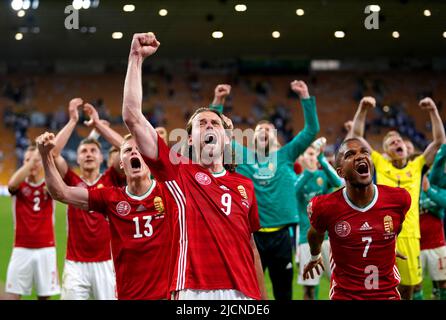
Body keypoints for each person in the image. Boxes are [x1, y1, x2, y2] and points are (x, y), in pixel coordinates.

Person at [122, 32, 267, 300]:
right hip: (193, 291)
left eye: (215, 123)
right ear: (190, 139)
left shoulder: (244, 185)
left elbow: (251, 247)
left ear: (226, 137)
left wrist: (263, 298)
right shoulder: (177, 171)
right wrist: (136, 58)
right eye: (202, 123)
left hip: (243, 294)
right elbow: (132, 117)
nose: (210, 126)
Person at [209, 81, 320, 300]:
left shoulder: (285, 155)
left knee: (283, 293)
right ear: (253, 137)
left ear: (276, 137)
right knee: (250, 292)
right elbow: (213, 133)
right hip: (251, 238)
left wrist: (305, 96)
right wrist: (218, 102)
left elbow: (311, 130)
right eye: (260, 129)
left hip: (281, 237)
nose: (264, 132)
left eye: (269, 130)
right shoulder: (241, 155)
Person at [36, 132, 172, 300]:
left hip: (166, 294)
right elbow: (61, 193)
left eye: (139, 149)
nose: (134, 153)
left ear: (149, 159)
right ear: (121, 163)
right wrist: (45, 156)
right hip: (127, 294)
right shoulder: (110, 197)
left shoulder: (169, 192)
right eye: (128, 150)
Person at [348, 96, 445, 299]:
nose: (396, 142)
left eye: (398, 140)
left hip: (410, 234)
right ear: (386, 151)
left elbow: (439, 142)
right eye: (391, 142)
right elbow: (355, 136)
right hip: (382, 233)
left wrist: (433, 110)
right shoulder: (380, 165)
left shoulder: (416, 166)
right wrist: (362, 109)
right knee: (380, 286)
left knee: (409, 287)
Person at [303, 138, 411, 300]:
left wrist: (389, 242)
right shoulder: (325, 206)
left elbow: (397, 225)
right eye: (350, 154)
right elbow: (314, 234)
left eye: (364, 152)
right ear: (340, 172)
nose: (360, 156)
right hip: (345, 295)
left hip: (386, 293)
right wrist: (314, 256)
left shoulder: (398, 199)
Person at [51, 98, 126, 300]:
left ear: (102, 158)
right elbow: (53, 153)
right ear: (77, 158)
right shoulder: (71, 180)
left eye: (94, 150)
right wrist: (73, 120)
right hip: (75, 265)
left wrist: (98, 125)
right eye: (83, 151)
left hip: (106, 263)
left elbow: (126, 148)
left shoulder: (112, 178)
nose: (89, 154)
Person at [4, 145, 60, 300]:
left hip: (46, 248)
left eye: (36, 161)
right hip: (21, 248)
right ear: (23, 163)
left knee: (44, 296)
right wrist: (33, 159)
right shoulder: (19, 185)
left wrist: (40, 157)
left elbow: (57, 182)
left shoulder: (48, 185)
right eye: (27, 160)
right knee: (12, 295)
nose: (32, 164)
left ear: (41, 163)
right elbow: (11, 185)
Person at [295, 138, 343, 300]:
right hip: (305, 239)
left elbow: (338, 182)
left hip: (328, 238)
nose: (311, 157)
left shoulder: (324, 176)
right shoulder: (299, 178)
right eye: (308, 154)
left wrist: (322, 158)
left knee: (339, 283)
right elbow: (295, 191)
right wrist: (309, 171)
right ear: (301, 158)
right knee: (309, 288)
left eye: (313, 154)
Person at [415, 144, 446, 300]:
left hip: (437, 243)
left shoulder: (436, 187)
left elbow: (444, 202)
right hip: (416, 243)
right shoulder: (411, 188)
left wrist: (429, 191)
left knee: (443, 283)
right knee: (415, 284)